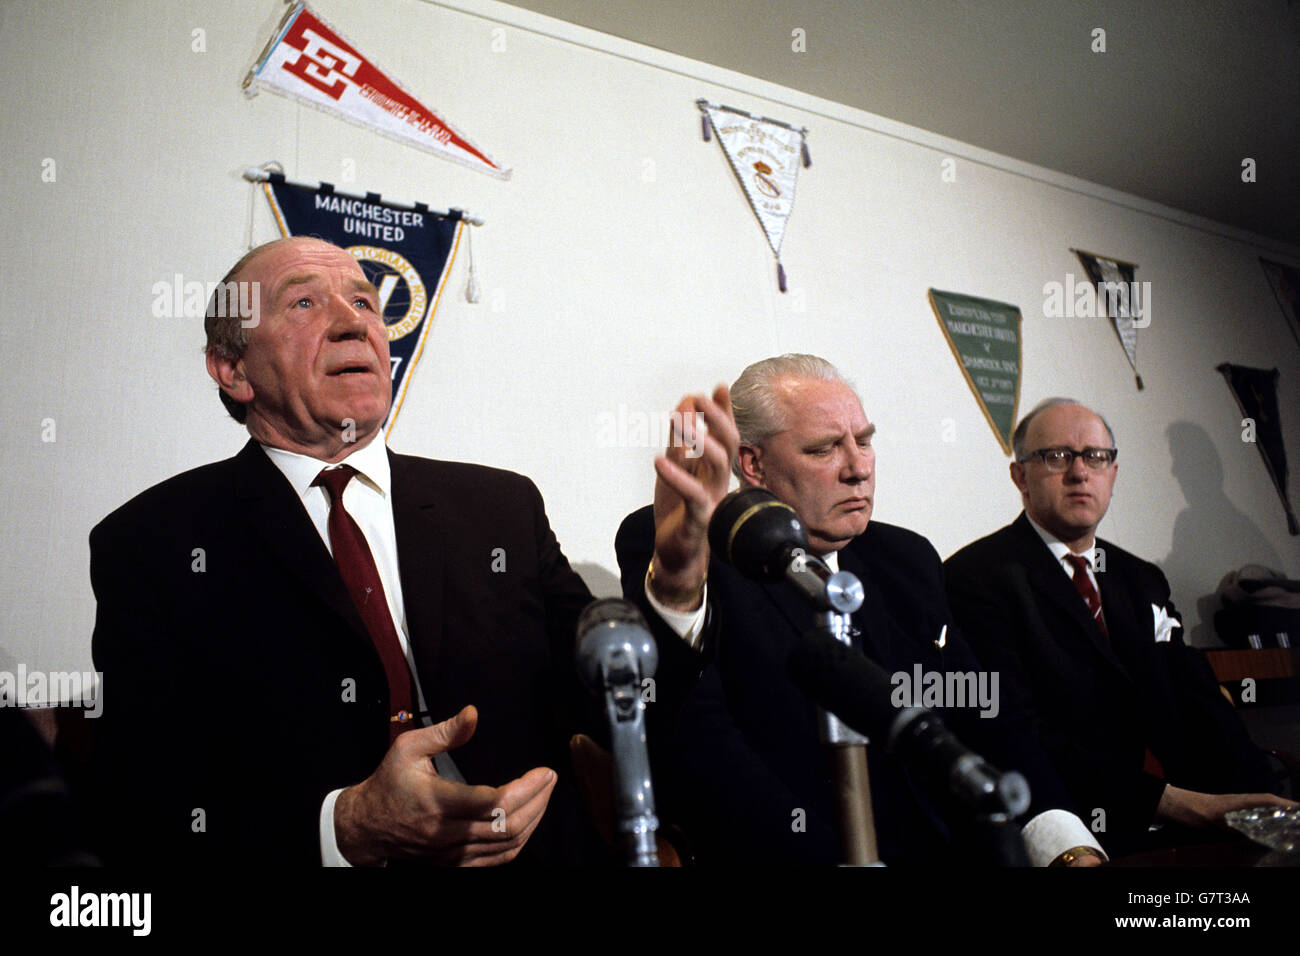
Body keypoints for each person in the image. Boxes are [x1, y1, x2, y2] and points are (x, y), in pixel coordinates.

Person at [87, 236, 738, 866]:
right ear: (233, 369)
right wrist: (346, 829)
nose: (354, 324)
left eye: (366, 303)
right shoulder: (153, 543)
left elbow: (614, 705)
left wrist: (677, 581)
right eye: (305, 304)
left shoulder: (501, 508)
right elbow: (146, 805)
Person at [617, 355, 1102, 866]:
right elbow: (692, 738)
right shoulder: (692, 552)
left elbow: (987, 717)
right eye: (824, 448)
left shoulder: (907, 559)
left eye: (864, 441)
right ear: (753, 464)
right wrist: (677, 583)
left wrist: (1066, 846)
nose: (858, 468)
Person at [944, 397, 1293, 858]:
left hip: (1194, 824)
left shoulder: (1139, 577)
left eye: (1096, 457)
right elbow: (1016, 733)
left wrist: (1265, 802)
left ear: (1112, 474)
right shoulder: (975, 577)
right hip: (1086, 832)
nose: (1079, 472)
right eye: (1056, 456)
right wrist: (1183, 805)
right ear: (1020, 476)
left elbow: (1200, 700)